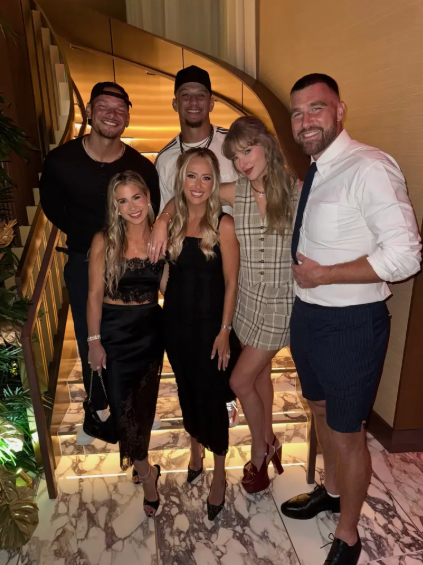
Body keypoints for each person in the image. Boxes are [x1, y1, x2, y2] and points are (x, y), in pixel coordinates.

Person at [282, 73, 421, 565]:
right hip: (309, 316)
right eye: (297, 113)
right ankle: (333, 490)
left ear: (340, 110)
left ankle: (348, 533)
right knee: (318, 410)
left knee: (347, 432)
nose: (305, 120)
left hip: (351, 324)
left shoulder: (370, 167)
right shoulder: (318, 170)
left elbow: (405, 255)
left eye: (316, 108)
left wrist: (327, 275)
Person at [150, 116, 297, 494]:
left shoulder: (296, 192)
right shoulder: (239, 190)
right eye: (236, 156)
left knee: (239, 380)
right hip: (246, 301)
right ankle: (270, 438)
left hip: (278, 304)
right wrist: (162, 219)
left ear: (267, 146)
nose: (243, 162)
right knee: (260, 376)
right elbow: (189, 195)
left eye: (248, 151)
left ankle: (261, 452)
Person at [39, 82, 161, 445]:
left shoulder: (140, 166)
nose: (112, 114)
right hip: (84, 259)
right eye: (104, 107)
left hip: (132, 262)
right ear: (89, 111)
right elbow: (52, 207)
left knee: (135, 334)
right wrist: (92, 242)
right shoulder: (60, 161)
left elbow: (152, 208)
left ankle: (134, 402)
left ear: (128, 116)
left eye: (120, 109)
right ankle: (98, 406)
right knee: (88, 335)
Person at [155, 64, 240, 427]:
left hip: (236, 257)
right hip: (194, 272)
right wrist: (162, 219)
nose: (193, 102)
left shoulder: (231, 145)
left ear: (211, 102)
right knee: (193, 374)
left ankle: (259, 441)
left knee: (238, 371)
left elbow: (257, 189)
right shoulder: (165, 158)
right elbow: (172, 208)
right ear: (175, 103)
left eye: (200, 95)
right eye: (185, 95)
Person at [162, 147, 240, 520]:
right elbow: (167, 274)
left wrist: (225, 330)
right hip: (175, 325)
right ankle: (195, 452)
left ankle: (220, 474)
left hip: (211, 328)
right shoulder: (173, 220)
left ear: (214, 183)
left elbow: (232, 283)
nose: (198, 184)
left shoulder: (223, 224)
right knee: (186, 391)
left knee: (212, 398)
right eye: (191, 176)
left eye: (206, 177)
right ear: (181, 180)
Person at [87, 170, 164, 517]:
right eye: (122, 201)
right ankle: (149, 476)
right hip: (114, 333)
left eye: (136, 197)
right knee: (122, 410)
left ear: (147, 197)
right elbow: (93, 295)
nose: (132, 206)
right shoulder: (104, 241)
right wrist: (94, 342)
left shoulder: (162, 240)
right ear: (115, 207)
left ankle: (140, 460)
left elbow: (169, 288)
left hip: (150, 332)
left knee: (142, 409)